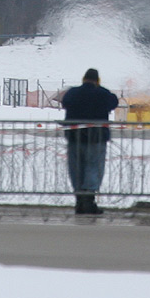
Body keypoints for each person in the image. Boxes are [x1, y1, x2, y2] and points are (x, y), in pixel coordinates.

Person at [60, 68, 119, 215]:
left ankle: (79, 201)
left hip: (75, 138)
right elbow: (114, 102)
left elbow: (65, 102)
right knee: (93, 167)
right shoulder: (103, 93)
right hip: (96, 138)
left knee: (76, 169)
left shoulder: (73, 93)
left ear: (83, 79)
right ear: (97, 80)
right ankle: (89, 200)